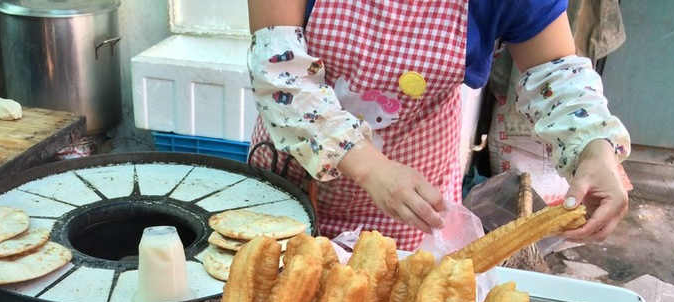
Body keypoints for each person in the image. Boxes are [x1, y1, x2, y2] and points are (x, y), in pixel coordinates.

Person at [247, 0, 631, 250]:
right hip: (292, 177)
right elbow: (282, 74)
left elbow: (555, 72)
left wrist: (594, 148)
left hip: (412, 199)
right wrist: (370, 167)